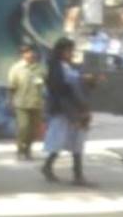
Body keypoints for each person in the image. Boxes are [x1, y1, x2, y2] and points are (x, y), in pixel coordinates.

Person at [40, 37, 94, 186]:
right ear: (61, 51)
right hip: (64, 109)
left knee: (77, 140)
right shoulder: (56, 68)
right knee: (59, 139)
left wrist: (85, 81)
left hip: (74, 108)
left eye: (71, 50)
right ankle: (53, 167)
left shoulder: (67, 67)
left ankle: (76, 173)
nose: (70, 53)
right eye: (68, 50)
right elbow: (59, 90)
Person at [7, 44, 45, 160]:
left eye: (32, 52)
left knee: (34, 130)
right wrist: (10, 102)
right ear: (22, 55)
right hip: (21, 103)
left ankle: (27, 149)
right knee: (23, 127)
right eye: (27, 52)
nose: (30, 54)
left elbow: (45, 83)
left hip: (36, 103)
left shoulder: (41, 68)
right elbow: (12, 87)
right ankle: (20, 149)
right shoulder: (16, 68)